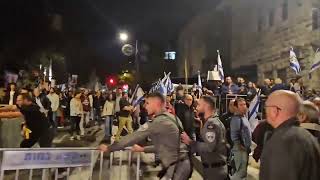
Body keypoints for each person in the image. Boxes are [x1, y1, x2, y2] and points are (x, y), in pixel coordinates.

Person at [99, 92, 191, 180]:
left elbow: (133, 137)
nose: (144, 106)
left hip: (177, 168)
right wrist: (143, 149)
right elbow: (165, 146)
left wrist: (109, 148)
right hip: (179, 165)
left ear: (157, 104)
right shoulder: (172, 117)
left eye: (147, 103)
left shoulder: (160, 121)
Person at [260, 90, 320, 180]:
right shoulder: (306, 136)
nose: (265, 111)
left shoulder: (284, 141)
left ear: (275, 111)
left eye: (266, 107)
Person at [181, 95, 228, 180]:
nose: (196, 108)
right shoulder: (214, 121)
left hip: (214, 173)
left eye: (199, 105)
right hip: (217, 170)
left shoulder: (211, 124)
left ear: (206, 106)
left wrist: (190, 142)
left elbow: (209, 147)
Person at [230, 98, 252, 180]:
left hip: (244, 149)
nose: (244, 107)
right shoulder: (236, 119)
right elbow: (234, 135)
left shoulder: (243, 117)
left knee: (242, 173)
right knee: (240, 174)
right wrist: (240, 146)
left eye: (244, 104)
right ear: (236, 107)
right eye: (241, 105)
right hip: (240, 150)